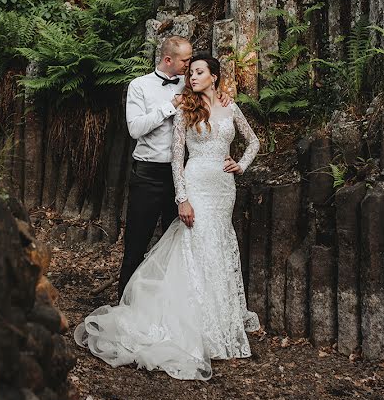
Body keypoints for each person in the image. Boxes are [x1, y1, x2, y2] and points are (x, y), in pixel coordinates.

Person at [74, 52, 261, 380]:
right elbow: (176, 158)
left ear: (214, 76)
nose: (192, 77)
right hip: (196, 186)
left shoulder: (230, 106)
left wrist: (241, 165)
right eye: (191, 72)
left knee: (218, 248)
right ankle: (188, 323)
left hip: (223, 188)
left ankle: (220, 323)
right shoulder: (185, 110)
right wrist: (182, 199)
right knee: (192, 248)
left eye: (199, 72)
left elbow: (254, 142)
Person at [117, 36, 237, 300]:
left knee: (180, 249)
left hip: (185, 178)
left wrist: (224, 95)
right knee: (136, 246)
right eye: (185, 60)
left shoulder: (191, 82)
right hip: (148, 175)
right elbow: (135, 129)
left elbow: (212, 99)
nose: (189, 65)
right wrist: (169, 106)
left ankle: (167, 307)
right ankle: (125, 306)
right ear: (168, 59)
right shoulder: (140, 86)